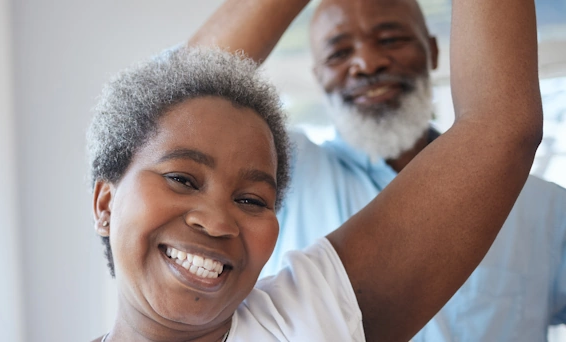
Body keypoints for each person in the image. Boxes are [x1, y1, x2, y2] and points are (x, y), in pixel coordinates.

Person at [88, 0, 542, 340]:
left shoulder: (305, 321)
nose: (217, 220)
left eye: (251, 200)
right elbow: (178, 84)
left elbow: (500, 127)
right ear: (105, 203)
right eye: (181, 179)